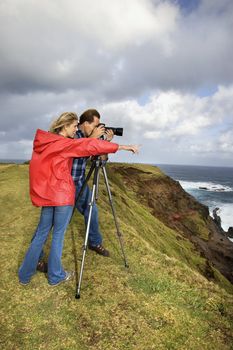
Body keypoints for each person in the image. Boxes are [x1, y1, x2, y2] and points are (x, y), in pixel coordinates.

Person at [18, 112, 139, 286]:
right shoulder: (65, 144)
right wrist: (125, 147)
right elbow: (88, 146)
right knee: (58, 236)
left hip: (48, 195)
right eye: (74, 126)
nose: (76, 129)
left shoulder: (45, 142)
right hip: (62, 196)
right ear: (64, 126)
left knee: (41, 235)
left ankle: (24, 275)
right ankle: (55, 276)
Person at [71, 109, 114, 257]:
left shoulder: (90, 138)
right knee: (53, 222)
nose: (96, 129)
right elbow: (77, 149)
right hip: (66, 184)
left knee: (92, 210)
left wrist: (105, 144)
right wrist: (93, 140)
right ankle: (36, 257)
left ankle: (94, 242)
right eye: (95, 125)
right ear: (85, 123)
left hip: (80, 182)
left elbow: (101, 160)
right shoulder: (74, 136)